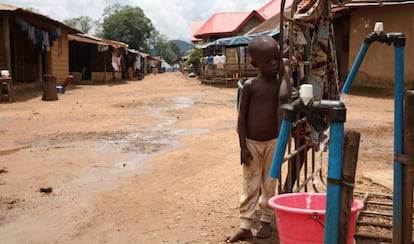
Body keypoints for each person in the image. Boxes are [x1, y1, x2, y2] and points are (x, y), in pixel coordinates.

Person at [226, 35, 292, 242]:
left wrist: (287, 72)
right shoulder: (250, 86)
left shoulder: (279, 83)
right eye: (267, 61)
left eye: (276, 58)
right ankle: (245, 225)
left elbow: (284, 96)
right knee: (250, 184)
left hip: (274, 141)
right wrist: (242, 147)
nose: (273, 64)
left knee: (270, 183)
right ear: (255, 63)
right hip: (252, 144)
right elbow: (241, 118)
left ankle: (265, 220)